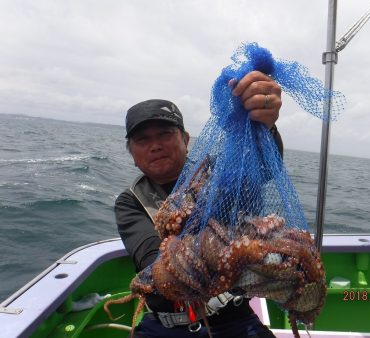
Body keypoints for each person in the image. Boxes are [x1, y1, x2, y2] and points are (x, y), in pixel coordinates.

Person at [115, 71, 284, 338]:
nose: (155, 145)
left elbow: (259, 169)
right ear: (132, 154)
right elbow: (154, 264)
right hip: (167, 326)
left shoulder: (218, 172)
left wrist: (264, 126)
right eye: (142, 140)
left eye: (165, 134)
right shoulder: (131, 200)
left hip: (234, 317)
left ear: (185, 139)